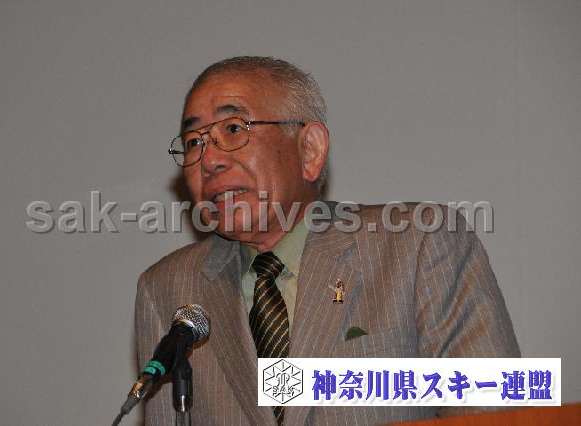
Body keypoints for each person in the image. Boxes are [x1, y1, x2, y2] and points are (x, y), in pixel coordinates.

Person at [135, 56, 520, 425]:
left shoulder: (417, 246)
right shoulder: (167, 288)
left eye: (233, 129)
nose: (209, 160)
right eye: (193, 142)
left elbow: (491, 411)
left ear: (310, 150)